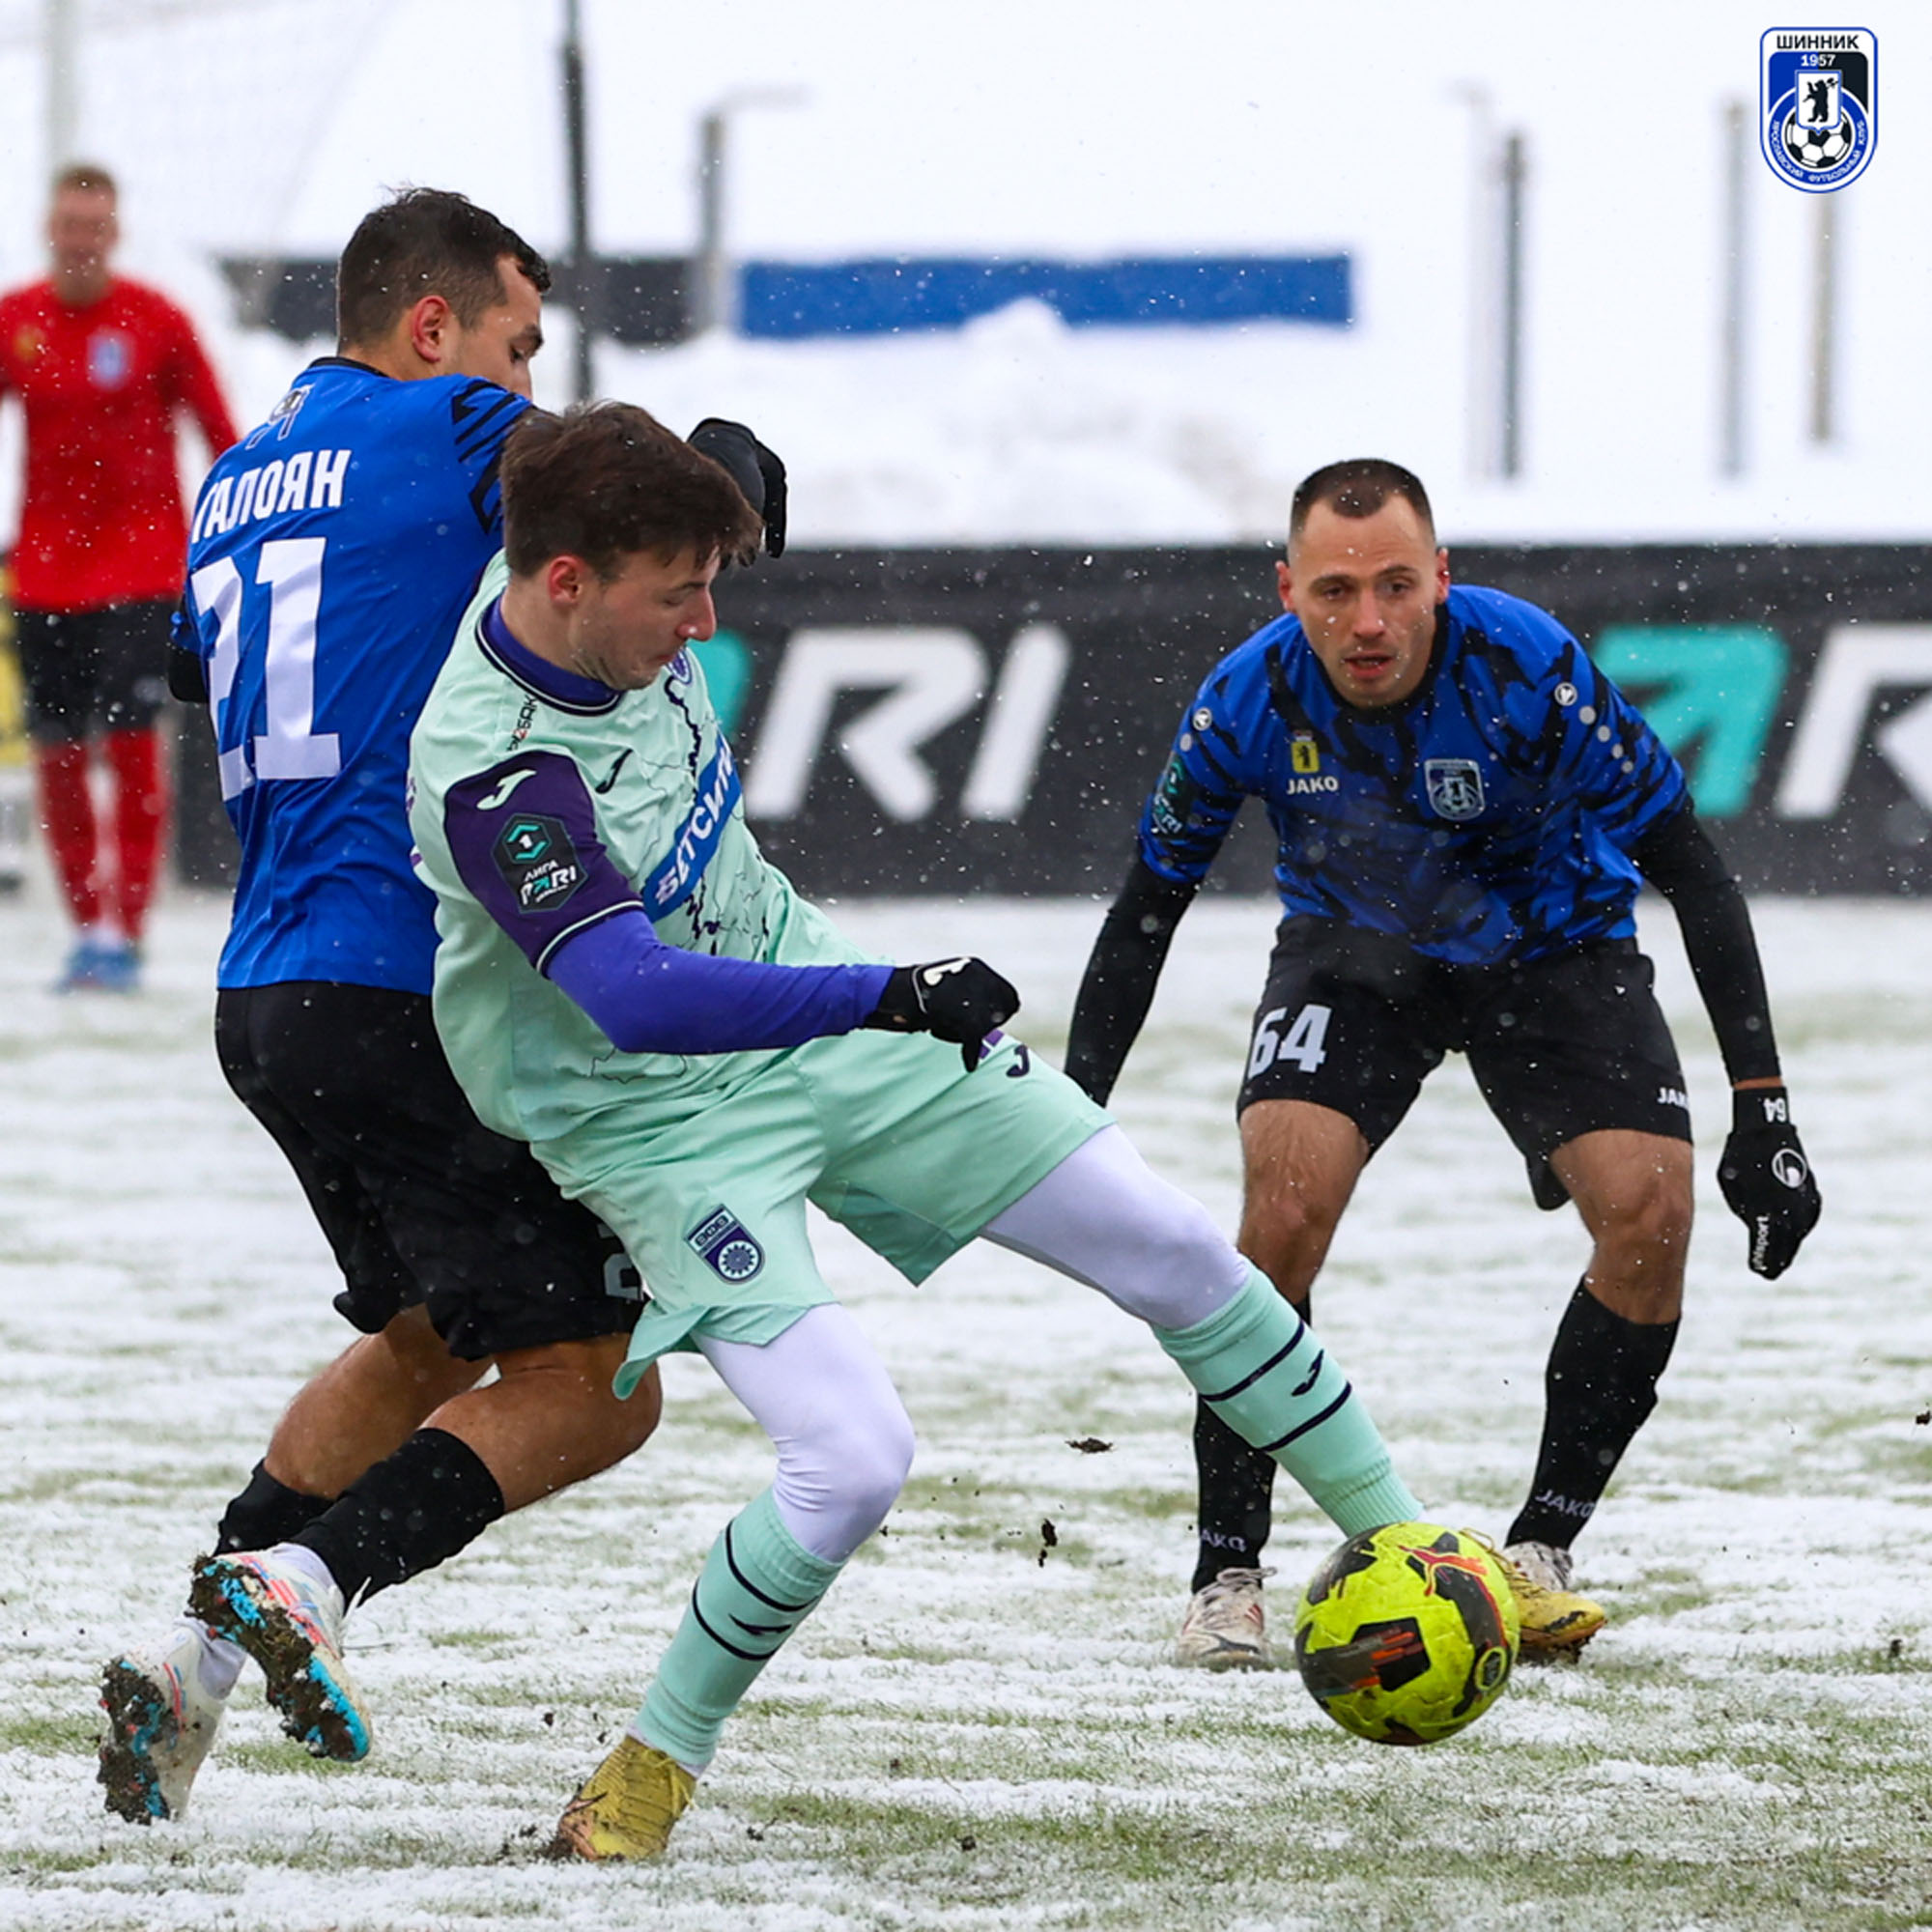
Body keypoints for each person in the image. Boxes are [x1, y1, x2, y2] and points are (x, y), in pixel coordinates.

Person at [380, 399, 1429, 1861]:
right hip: (656, 1119)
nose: (702, 626)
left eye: (712, 582)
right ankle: (646, 1772)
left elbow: (672, 482)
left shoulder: (616, 557)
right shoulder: (495, 770)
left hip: (814, 1014)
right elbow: (633, 993)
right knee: (853, 1459)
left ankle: (1416, 1548)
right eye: (678, 595)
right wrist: (888, 991)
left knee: (1176, 1247)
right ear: (567, 581)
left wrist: (727, 472)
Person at [97, 188, 786, 1825]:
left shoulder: (235, 476)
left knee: (420, 1334)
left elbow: (201, 670)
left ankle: (190, 1657)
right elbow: (634, 500)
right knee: (598, 1378)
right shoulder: (455, 431)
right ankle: (307, 1582)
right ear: (433, 329)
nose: (527, 382)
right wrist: (735, 471)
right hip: (414, 987)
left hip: (270, 991)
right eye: (517, 345)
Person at [1063, 458, 1822, 1666]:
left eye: (1394, 585)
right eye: (1333, 590)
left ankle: (1539, 1549)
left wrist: (1761, 1103)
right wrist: (1072, 1112)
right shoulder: (1244, 697)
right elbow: (1147, 906)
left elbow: (1690, 867)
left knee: (1651, 1211)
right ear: (1287, 590)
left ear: (1439, 579)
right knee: (1281, 1212)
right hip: (1352, 960)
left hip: (1554, 952)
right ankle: (1225, 1571)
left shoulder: (1528, 666)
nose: (1366, 620)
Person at [0, 163, 239, 988]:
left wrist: (236, 537)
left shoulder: (156, 319)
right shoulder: (18, 320)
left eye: (94, 225)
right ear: (49, 229)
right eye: (69, 224)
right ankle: (85, 930)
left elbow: (220, 433)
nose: (81, 240)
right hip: (43, 578)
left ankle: (127, 931)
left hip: (142, 570)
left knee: (135, 745)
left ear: (114, 232)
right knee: (59, 753)